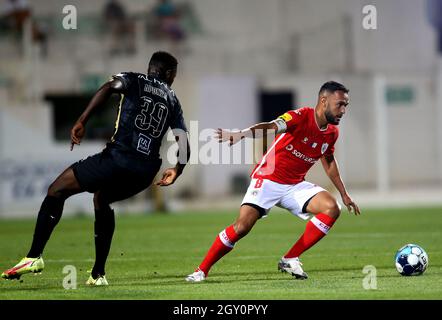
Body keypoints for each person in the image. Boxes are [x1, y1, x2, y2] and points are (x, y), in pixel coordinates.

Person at [1, 51, 190, 286]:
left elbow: (109, 87)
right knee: (102, 199)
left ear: (151, 68)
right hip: (145, 171)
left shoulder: (134, 79)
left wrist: (82, 120)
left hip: (118, 158)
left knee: (56, 190)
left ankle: (33, 257)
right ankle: (98, 274)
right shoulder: (173, 101)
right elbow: (183, 141)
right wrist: (177, 170)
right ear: (169, 74)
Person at [186, 81, 360, 282]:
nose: (344, 110)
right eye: (340, 104)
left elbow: (328, 161)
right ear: (323, 100)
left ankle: (290, 258)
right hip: (268, 179)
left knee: (332, 207)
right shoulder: (300, 116)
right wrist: (241, 134)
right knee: (242, 227)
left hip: (294, 185)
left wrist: (344, 194)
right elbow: (269, 126)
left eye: (346, 105)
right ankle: (201, 270)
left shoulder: (331, 133)